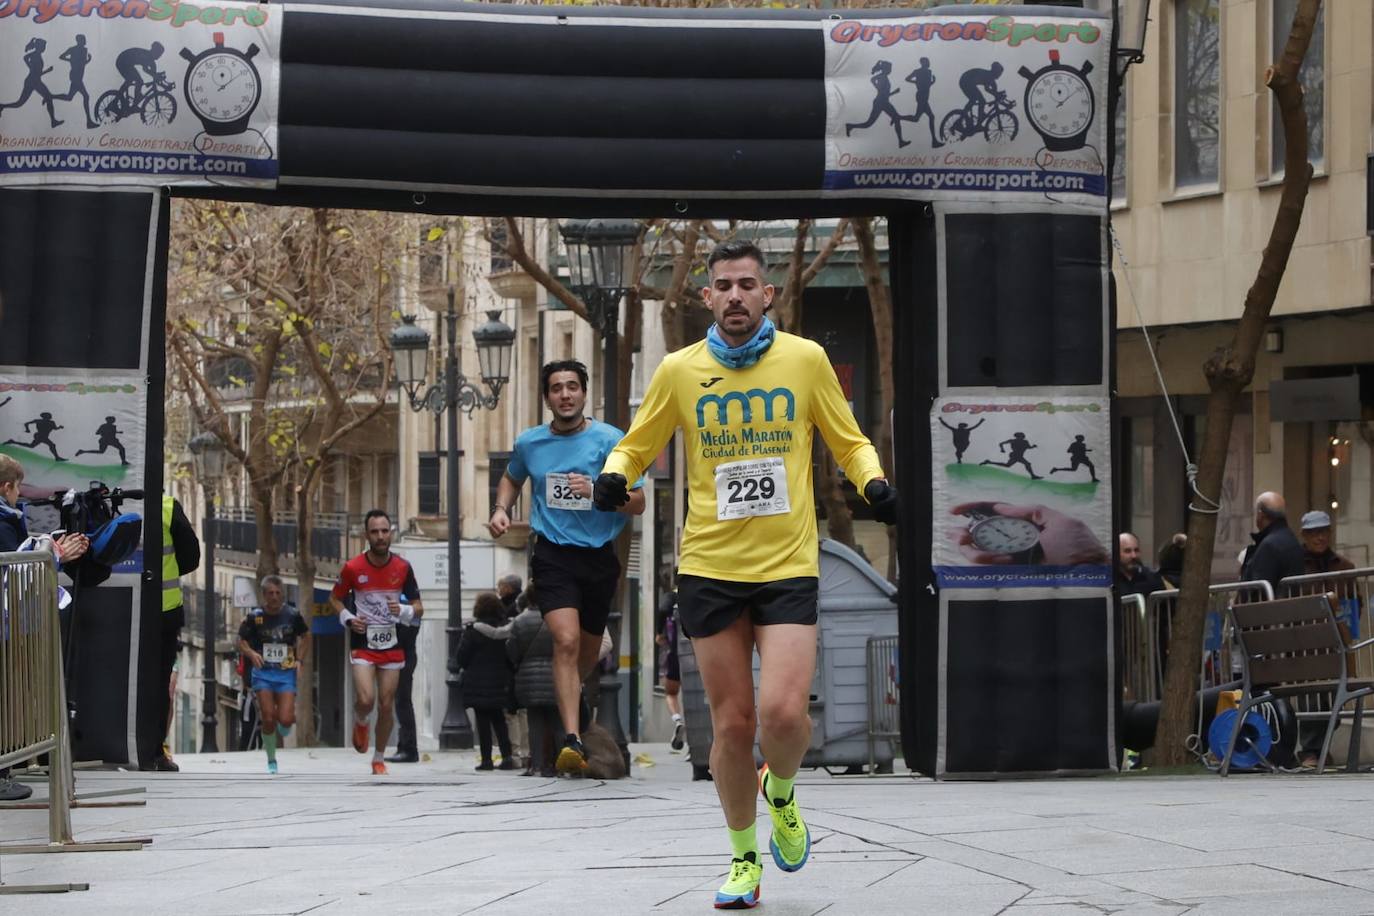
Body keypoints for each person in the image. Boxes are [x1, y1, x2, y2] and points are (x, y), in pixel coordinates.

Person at [592, 239, 899, 909]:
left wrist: (873, 485)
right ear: (707, 297)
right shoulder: (679, 370)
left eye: (746, 284)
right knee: (731, 727)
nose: (734, 295)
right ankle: (742, 860)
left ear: (768, 296)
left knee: (785, 714)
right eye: (723, 285)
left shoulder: (805, 360)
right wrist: (615, 476)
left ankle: (780, 792)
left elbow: (848, 440)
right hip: (710, 567)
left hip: (788, 563)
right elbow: (637, 442)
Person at [487, 359, 646, 776]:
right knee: (565, 640)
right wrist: (502, 509)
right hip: (553, 553)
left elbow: (640, 502)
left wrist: (596, 491)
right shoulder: (530, 443)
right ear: (547, 398)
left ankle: (572, 702)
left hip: (598, 555)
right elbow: (511, 477)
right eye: (556, 388)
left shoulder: (611, 441)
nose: (565, 395)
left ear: (584, 392)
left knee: (584, 655)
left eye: (572, 386)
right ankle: (572, 740)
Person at [0, 455, 87, 801]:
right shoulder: (3, 520)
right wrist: (55, 555)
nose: (19, 495)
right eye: (17, 488)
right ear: (7, 486)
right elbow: (13, 568)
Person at [330, 509, 423, 776]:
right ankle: (360, 720)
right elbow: (335, 599)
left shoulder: (403, 567)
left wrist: (403, 611)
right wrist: (348, 618)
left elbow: (419, 607)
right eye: (375, 532)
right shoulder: (353, 568)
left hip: (392, 642)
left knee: (385, 703)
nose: (381, 537)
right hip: (363, 640)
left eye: (385, 531)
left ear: (391, 533)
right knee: (366, 698)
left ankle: (378, 757)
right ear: (366, 535)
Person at [144, 494, 199, 772]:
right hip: (164, 610)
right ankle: (154, 751)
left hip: (117, 610)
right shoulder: (166, 505)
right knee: (159, 681)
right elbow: (191, 557)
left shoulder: (106, 502)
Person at [237, 576, 310, 774]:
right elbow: (241, 640)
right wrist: (251, 654)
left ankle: (283, 726)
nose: (275, 597)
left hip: (285, 673)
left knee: (285, 719)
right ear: (264, 595)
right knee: (268, 718)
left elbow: (305, 636)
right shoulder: (255, 617)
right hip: (263, 673)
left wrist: (299, 660)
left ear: (283, 595)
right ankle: (271, 759)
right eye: (270, 593)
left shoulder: (292, 615)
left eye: (278, 593)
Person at [458, 592, 518, 772]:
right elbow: (512, 656)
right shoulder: (507, 630)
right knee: (500, 720)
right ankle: (507, 757)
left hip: (477, 682)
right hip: (500, 680)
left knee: (482, 721)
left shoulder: (472, 631)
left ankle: (486, 760)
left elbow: (461, 658)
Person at [508, 586, 558, 776]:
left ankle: (536, 764)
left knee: (535, 723)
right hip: (556, 675)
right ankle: (561, 763)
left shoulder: (520, 621)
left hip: (529, 678)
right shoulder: (557, 617)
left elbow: (512, 650)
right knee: (558, 723)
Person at [1240, 491, 1305, 592]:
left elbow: (1257, 588)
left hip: (1271, 606)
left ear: (1260, 514)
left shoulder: (1268, 545)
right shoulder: (1292, 539)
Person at [386, 593, 421, 765]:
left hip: (402, 657)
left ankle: (409, 748)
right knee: (401, 701)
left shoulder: (405, 605)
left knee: (402, 701)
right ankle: (404, 746)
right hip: (403, 656)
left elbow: (404, 636)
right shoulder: (408, 604)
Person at [844, 60, 909, 147]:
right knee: (868, 124)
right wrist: (884, 89)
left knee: (896, 118)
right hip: (880, 102)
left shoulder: (884, 77)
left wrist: (893, 92)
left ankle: (901, 141)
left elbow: (882, 92)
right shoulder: (882, 77)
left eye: (891, 68)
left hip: (883, 102)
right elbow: (876, 84)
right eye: (890, 68)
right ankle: (850, 126)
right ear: (886, 69)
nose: (890, 70)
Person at [656, 585, 685, 752]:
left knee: (671, 692)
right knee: (699, 698)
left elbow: (662, 609)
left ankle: (677, 720)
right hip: (701, 654)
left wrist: (659, 632)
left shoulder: (673, 596)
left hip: (676, 652)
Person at [56, 35, 99, 130]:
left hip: (79, 76)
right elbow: (61, 56)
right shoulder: (72, 49)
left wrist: (88, 60)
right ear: (78, 40)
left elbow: (82, 64)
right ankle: (89, 122)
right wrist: (70, 60)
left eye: (85, 39)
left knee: (69, 97)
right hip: (75, 76)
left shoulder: (84, 50)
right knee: (86, 96)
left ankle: (50, 96)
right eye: (83, 39)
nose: (85, 41)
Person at [901, 57, 942, 148]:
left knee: (917, 118)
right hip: (921, 97)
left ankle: (898, 117)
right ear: (923, 63)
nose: (928, 63)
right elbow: (907, 79)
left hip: (923, 96)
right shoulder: (921, 72)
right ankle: (934, 141)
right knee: (930, 117)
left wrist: (932, 82)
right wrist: (917, 81)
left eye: (928, 61)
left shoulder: (927, 72)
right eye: (927, 61)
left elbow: (926, 85)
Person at [1115, 532, 1164, 600]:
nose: (1134, 556)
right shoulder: (1109, 581)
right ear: (1115, 553)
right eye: (1127, 551)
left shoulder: (1152, 577)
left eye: (1136, 550)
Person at [959, 62, 1004, 129]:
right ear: (995, 71)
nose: (1000, 75)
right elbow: (988, 89)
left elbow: (995, 95)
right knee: (977, 100)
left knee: (979, 100)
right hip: (966, 80)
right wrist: (997, 94)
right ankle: (964, 117)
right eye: (999, 73)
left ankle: (973, 119)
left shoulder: (992, 80)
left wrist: (1003, 100)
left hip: (967, 81)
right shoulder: (989, 76)